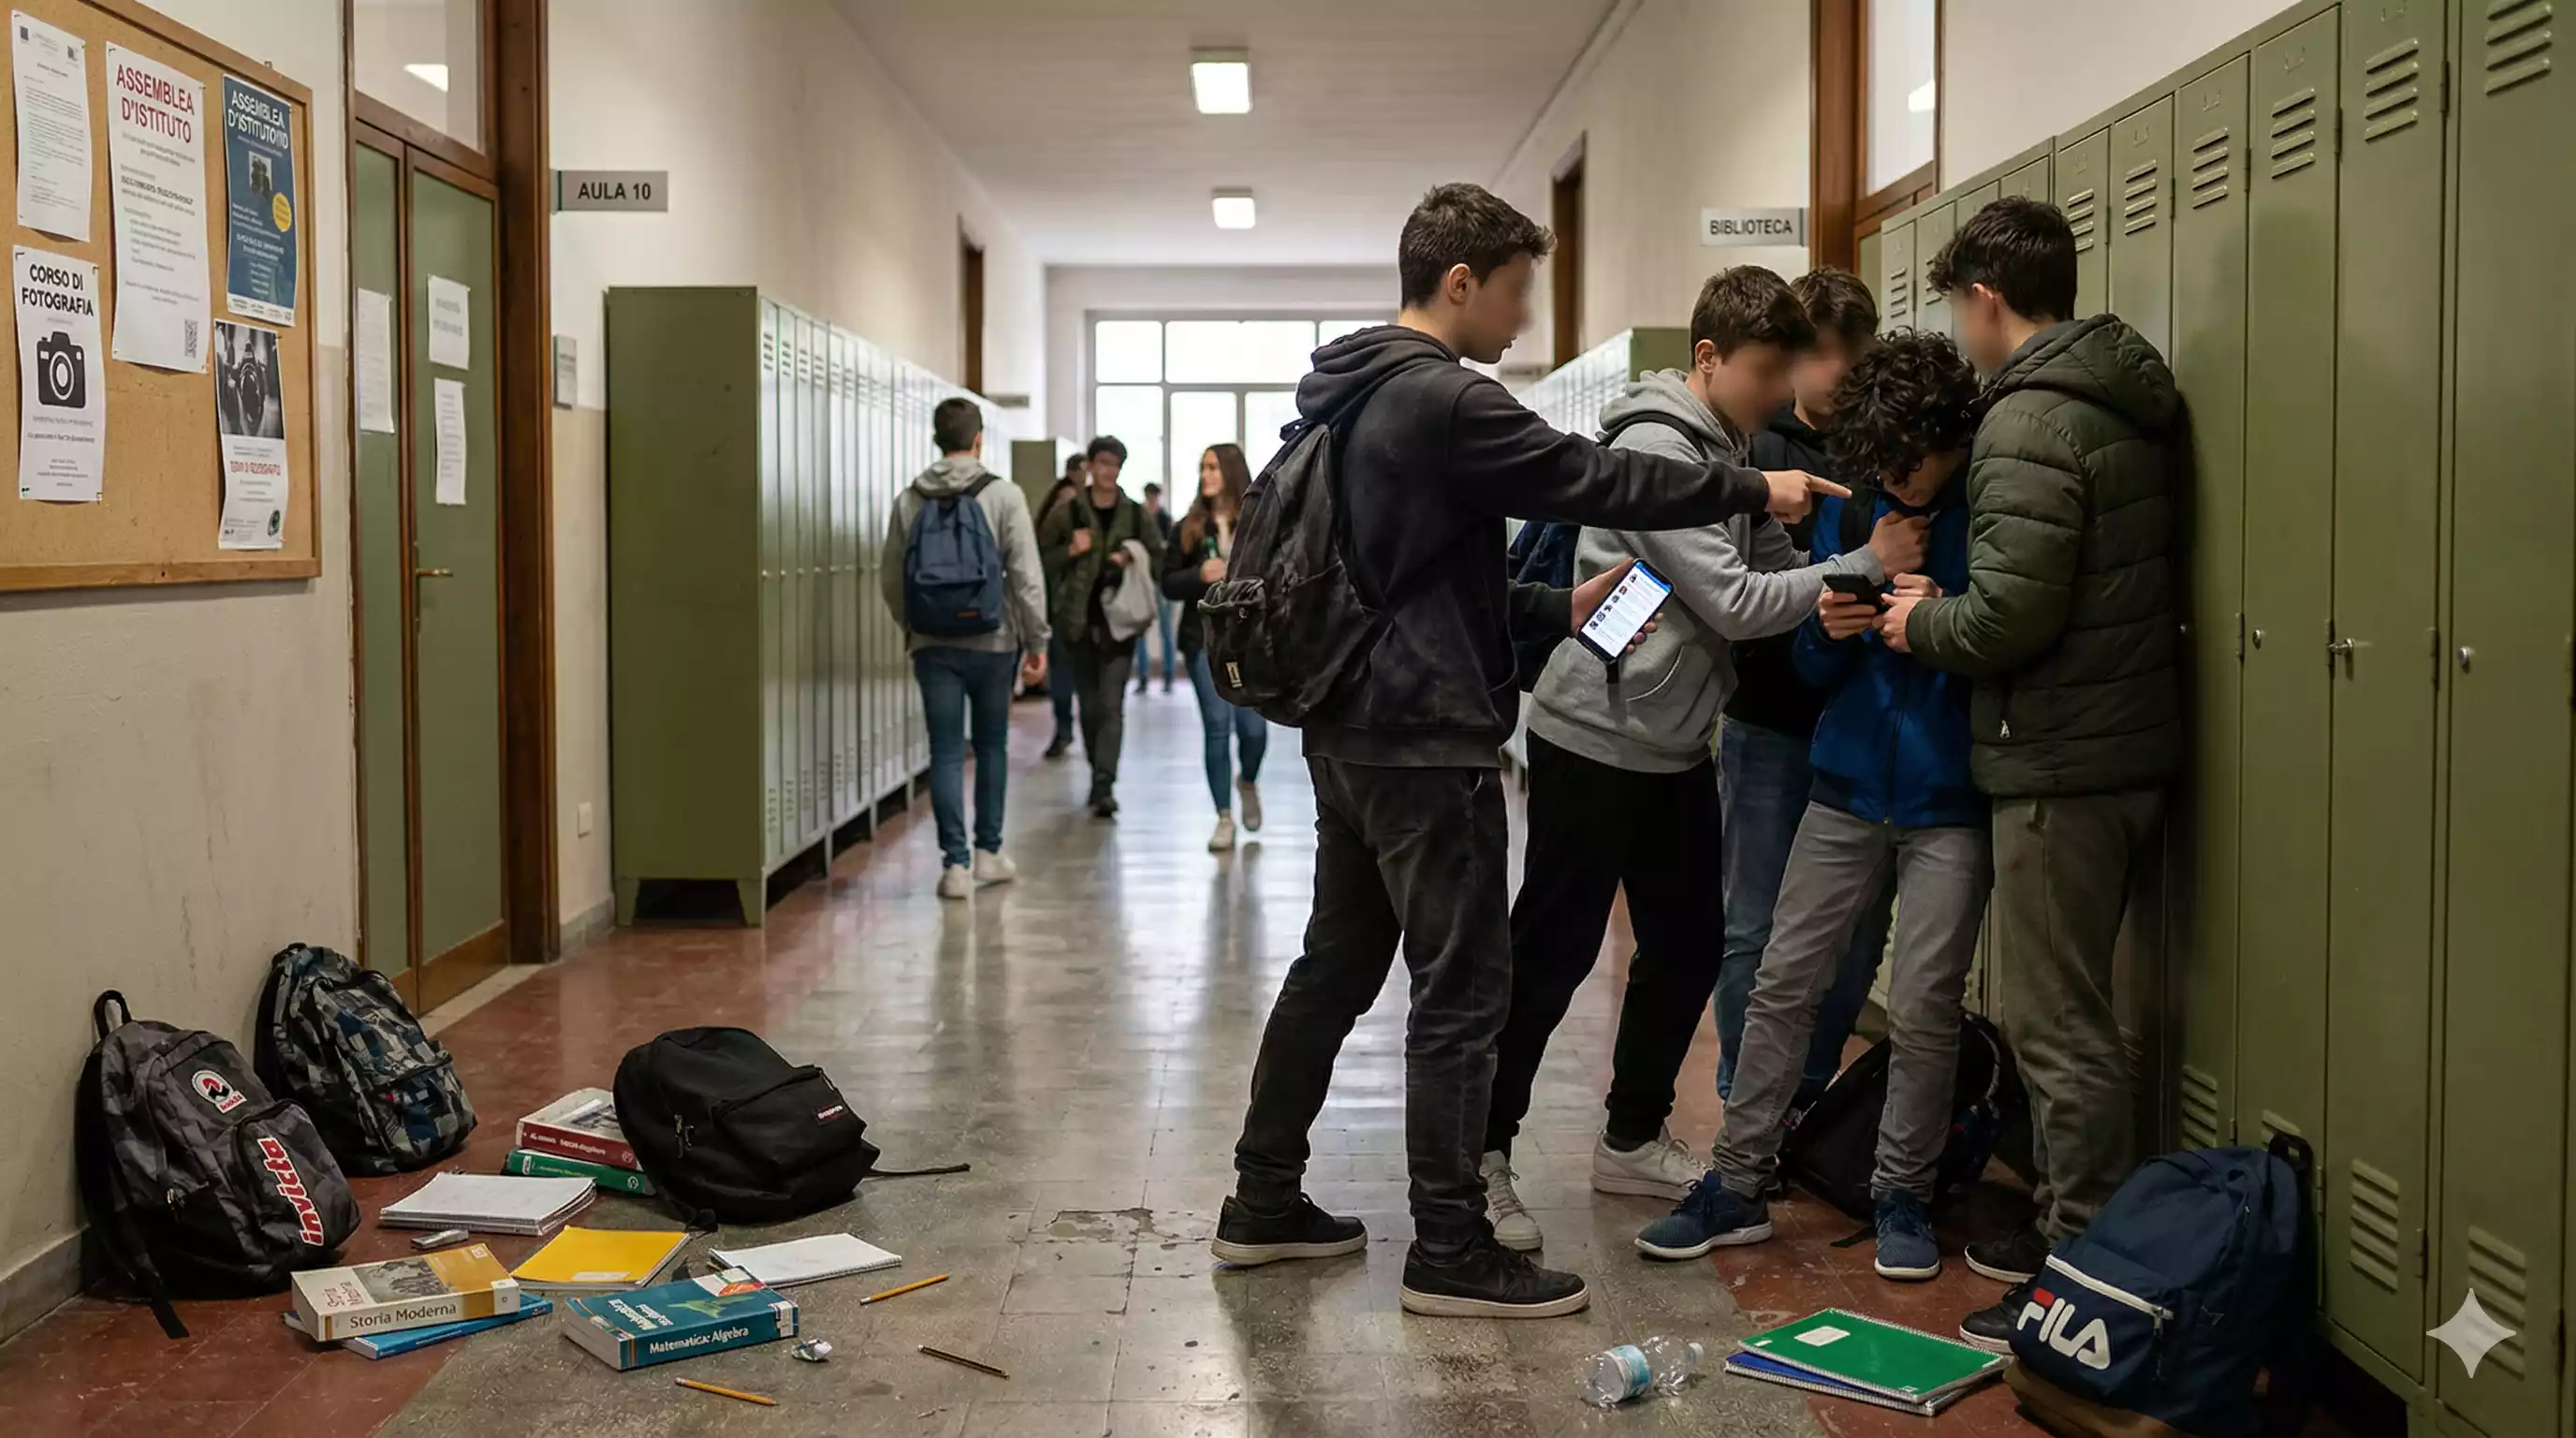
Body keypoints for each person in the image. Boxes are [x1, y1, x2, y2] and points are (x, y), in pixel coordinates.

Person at [1212, 182, 1844, 1321]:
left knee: (1338, 966)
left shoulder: (1352, 392)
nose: (1517, 322)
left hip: (1352, 731)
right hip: (1423, 739)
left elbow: (1412, 577)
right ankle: (1451, 1243)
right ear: (1460, 283)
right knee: (1464, 990)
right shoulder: (1444, 397)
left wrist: (1559, 609)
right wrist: (1754, 481)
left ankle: (1263, 1199)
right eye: (1511, 294)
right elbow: (1597, 475)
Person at [1477, 267, 1925, 1255]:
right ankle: (1483, 1155)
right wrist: (1861, 566)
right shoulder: (1653, 446)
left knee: (1682, 948)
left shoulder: (1730, 446)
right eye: (1766, 369)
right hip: (1592, 740)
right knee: (1549, 956)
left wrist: (1826, 566)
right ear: (1710, 358)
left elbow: (1766, 571)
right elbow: (1732, 601)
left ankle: (1630, 1136)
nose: (1779, 390)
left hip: (1672, 740)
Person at [1883, 198, 2182, 1351]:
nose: (1960, 334)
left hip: (2058, 759)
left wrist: (1919, 624)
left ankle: (2076, 1270)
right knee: (2074, 1016)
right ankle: (2079, 1238)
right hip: (2115, 745)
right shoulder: (2117, 398)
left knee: (2054, 1022)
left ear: (1986, 303)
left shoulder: (2025, 422)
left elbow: (2008, 614)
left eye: (1960, 310)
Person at [1634, 332, 1986, 1285]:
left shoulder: (1988, 510)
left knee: (1920, 1007)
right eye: (1885, 467)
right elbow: (1812, 663)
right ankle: (1737, 1181)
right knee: (1783, 977)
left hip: (1950, 801)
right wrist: (1832, 630)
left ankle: (1899, 1194)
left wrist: (1939, 616)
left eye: (1915, 466)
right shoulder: (1863, 508)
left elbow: (2010, 639)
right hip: (1842, 785)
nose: (1901, 484)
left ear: (1953, 442)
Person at [1718, 267, 1898, 1108]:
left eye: (1845, 354)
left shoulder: (1888, 448)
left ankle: (1810, 1097)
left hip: (1864, 721)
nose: (1831, 374)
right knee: (1754, 926)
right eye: (1815, 355)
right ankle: (1742, 1095)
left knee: (1855, 937)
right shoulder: (1756, 450)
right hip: (1768, 719)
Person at [881, 398, 1050, 900]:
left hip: (933, 643)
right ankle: (988, 853)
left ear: (937, 438)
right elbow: (1025, 577)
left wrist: (914, 625)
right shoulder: (1003, 494)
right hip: (994, 641)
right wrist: (1036, 639)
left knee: (946, 751)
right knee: (992, 744)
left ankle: (954, 866)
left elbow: (891, 578)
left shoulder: (910, 498)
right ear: (978, 440)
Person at [1037, 435, 1166, 817]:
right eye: (1103, 463)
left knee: (1111, 706)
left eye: (1116, 464)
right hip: (1077, 625)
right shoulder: (1068, 512)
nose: (1109, 471)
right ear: (1090, 466)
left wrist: (1131, 554)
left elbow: (1159, 556)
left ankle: (1103, 785)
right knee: (1090, 707)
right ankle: (1099, 772)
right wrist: (1071, 551)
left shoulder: (1134, 514)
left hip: (1119, 627)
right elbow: (1041, 560)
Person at [1160, 444, 1269, 853]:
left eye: (1213, 468)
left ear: (1232, 472)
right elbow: (1168, 582)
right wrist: (1198, 576)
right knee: (1217, 726)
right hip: (1203, 642)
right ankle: (1223, 816)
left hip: (1251, 641)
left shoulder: (1257, 522)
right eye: (1202, 467)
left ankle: (1248, 781)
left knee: (1254, 730)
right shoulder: (1187, 527)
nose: (1206, 475)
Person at [1041, 453, 1087, 759]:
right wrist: (1072, 549)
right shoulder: (1060, 504)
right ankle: (1064, 729)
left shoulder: (1100, 509)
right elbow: (1042, 560)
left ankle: (1081, 732)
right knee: (1062, 675)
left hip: (1090, 607)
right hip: (1060, 607)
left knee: (1087, 680)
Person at [1134, 482, 1180, 694]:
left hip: (1161, 581)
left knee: (1166, 632)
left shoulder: (1164, 520)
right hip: (1145, 580)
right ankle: (1144, 675)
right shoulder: (1141, 519)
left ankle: (1168, 675)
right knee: (1140, 629)